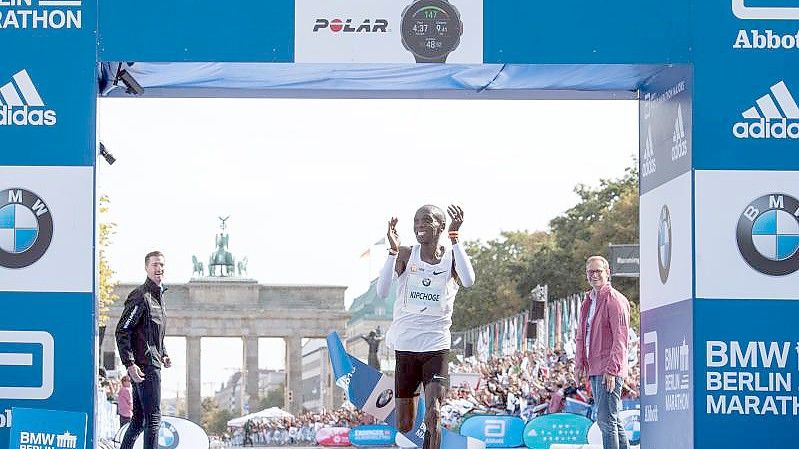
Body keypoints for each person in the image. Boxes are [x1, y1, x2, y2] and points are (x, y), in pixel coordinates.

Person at [377, 204, 475, 449]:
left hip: (436, 345)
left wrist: (455, 239)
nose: (420, 225)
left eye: (427, 220)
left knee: (435, 411)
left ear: (441, 226)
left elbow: (469, 281)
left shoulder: (452, 256)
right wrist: (392, 251)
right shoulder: (406, 254)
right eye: (417, 220)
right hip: (406, 347)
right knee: (405, 424)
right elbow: (382, 291)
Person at [115, 251, 172, 449]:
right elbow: (122, 330)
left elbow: (152, 332)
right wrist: (129, 363)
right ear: (146, 268)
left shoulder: (159, 297)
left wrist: (163, 352)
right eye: (155, 265)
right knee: (153, 419)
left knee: (139, 421)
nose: (159, 269)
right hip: (145, 366)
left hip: (153, 361)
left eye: (162, 265)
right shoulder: (140, 296)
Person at [575, 255, 630, 449]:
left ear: (608, 273)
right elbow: (582, 335)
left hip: (609, 369)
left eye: (599, 271)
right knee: (610, 420)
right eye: (591, 272)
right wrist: (580, 363)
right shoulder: (587, 302)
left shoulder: (614, 300)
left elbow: (621, 338)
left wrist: (612, 369)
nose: (594, 275)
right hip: (594, 368)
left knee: (606, 422)